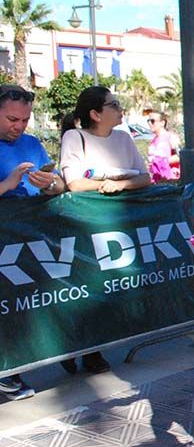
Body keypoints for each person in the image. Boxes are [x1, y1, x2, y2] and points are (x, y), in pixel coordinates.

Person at [58, 86, 151, 374]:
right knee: (84, 288)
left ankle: (93, 348)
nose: (120, 108)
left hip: (119, 226)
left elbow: (146, 177)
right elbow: (73, 182)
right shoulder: (74, 137)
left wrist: (120, 185)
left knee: (110, 288)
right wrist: (103, 185)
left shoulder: (124, 138)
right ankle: (77, 348)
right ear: (95, 114)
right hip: (83, 224)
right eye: (113, 105)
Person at [0, 85, 67, 401]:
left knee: (24, 306)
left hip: (29, 239)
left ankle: (12, 370)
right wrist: (8, 184)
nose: (19, 126)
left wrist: (51, 184)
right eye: (13, 119)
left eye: (25, 120)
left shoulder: (32, 144)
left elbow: (59, 185)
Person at [146, 111, 180, 182]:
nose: (149, 123)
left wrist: (162, 162)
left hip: (170, 180)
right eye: (148, 121)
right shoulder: (153, 140)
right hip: (157, 180)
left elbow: (179, 156)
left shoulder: (171, 137)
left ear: (162, 123)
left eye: (152, 121)